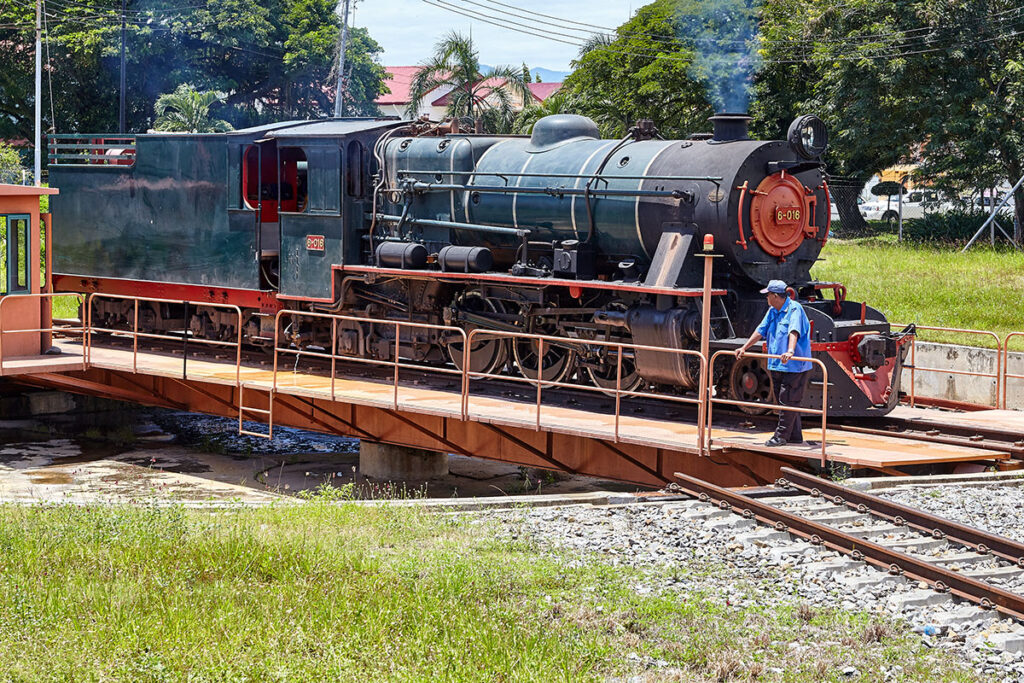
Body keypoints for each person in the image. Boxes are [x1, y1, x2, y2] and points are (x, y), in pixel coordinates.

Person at [734, 280, 812, 447]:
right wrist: (744, 347)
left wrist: (790, 351)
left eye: (768, 295)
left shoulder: (795, 310)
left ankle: (781, 436)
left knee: (788, 400)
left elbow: (794, 331)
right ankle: (795, 435)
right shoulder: (772, 311)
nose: (766, 298)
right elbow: (760, 330)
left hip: (794, 366)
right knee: (785, 401)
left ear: (776, 296)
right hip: (776, 364)